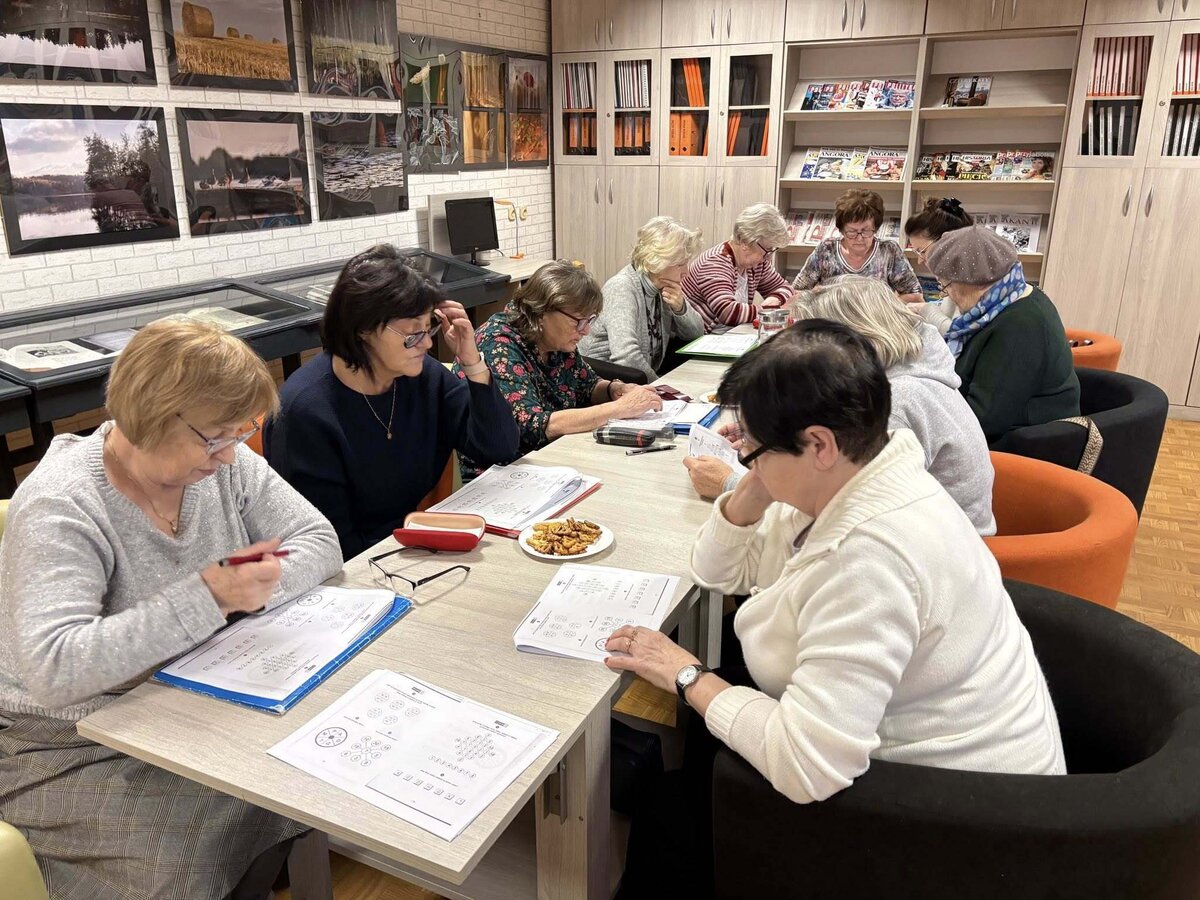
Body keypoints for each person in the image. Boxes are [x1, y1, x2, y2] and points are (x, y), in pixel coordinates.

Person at [609, 321, 1065, 897]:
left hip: (956, 823)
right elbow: (715, 571)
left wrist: (684, 674)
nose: (743, 455)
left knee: (670, 813)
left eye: (753, 445)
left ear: (819, 444)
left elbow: (807, 767)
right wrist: (754, 482)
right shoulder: (852, 472)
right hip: (899, 750)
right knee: (702, 743)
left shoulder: (870, 555)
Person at [0, 321, 343, 900]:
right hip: (62, 741)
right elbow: (55, 669)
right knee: (184, 859)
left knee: (298, 781)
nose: (230, 455)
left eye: (241, 433)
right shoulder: (63, 503)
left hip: (183, 695)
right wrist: (210, 599)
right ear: (149, 418)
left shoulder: (220, 465)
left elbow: (316, 539)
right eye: (214, 439)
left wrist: (252, 591)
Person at [685, 276, 996, 535]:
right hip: (924, 539)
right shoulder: (909, 367)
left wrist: (732, 484)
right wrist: (774, 436)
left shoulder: (896, 402)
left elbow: (844, 517)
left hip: (924, 558)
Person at [265, 244, 521, 559]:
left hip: (409, 548)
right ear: (363, 328)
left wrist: (472, 362)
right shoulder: (304, 413)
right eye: (413, 334)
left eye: (429, 327)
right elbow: (331, 545)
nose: (427, 344)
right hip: (356, 566)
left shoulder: (423, 377)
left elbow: (499, 448)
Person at [457, 261, 662, 477]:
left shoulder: (555, 339)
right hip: (501, 473)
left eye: (590, 320)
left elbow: (588, 386)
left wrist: (614, 389)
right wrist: (620, 408)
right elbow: (533, 426)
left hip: (551, 458)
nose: (586, 330)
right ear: (543, 311)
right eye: (579, 321)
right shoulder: (498, 344)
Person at [925, 225, 1080, 444]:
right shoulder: (1010, 300)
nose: (947, 294)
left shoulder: (1020, 326)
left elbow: (983, 420)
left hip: (1024, 445)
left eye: (947, 285)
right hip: (996, 430)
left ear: (976, 282)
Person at [579, 216, 706, 381]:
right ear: (657, 261)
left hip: (640, 377)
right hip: (601, 380)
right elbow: (627, 358)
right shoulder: (621, 287)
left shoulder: (663, 284)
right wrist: (661, 388)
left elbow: (697, 335)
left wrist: (680, 308)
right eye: (680, 264)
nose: (686, 272)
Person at [791, 189, 922, 303]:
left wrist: (882, 306)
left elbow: (915, 295)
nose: (859, 238)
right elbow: (798, 291)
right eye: (852, 232)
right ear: (841, 230)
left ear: (876, 228)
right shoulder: (826, 249)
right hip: (831, 320)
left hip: (875, 320)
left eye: (866, 231)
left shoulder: (888, 251)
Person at [681, 203, 793, 330]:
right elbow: (729, 313)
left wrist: (776, 298)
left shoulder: (757, 264)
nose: (769, 258)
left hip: (728, 335)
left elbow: (786, 288)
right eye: (767, 250)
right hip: (701, 338)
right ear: (744, 240)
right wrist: (767, 310)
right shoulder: (714, 262)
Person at [903, 196, 974, 332]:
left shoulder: (973, 281)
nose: (920, 261)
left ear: (946, 244)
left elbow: (959, 334)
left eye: (922, 251)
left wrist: (925, 309)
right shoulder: (954, 274)